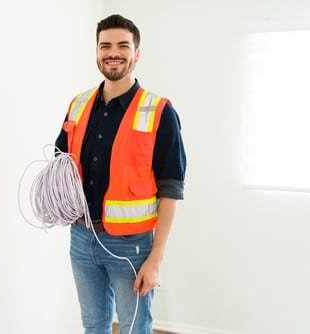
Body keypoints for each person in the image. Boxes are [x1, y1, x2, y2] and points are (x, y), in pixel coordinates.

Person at [55, 14, 186, 334]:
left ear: (136, 53)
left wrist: (156, 259)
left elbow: (171, 190)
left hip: (133, 247)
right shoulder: (79, 104)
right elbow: (60, 164)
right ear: (97, 52)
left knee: (134, 328)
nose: (113, 52)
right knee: (94, 326)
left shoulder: (159, 111)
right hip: (82, 238)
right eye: (105, 45)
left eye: (123, 45)